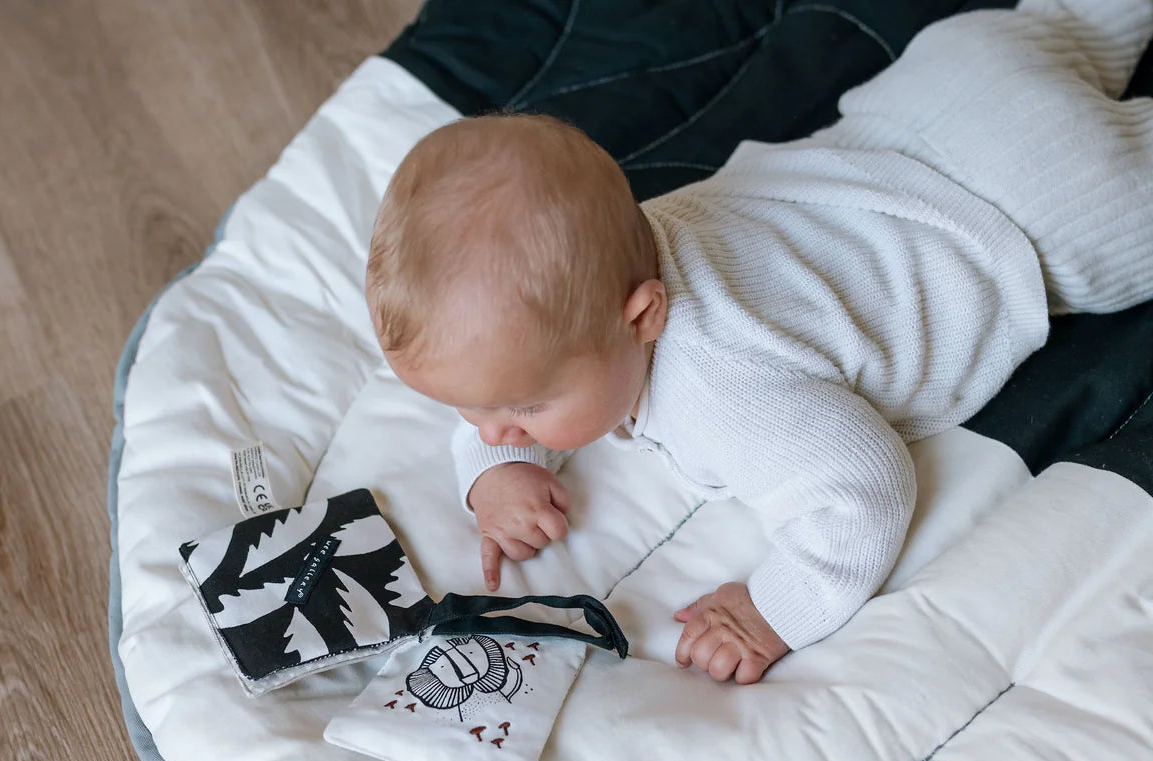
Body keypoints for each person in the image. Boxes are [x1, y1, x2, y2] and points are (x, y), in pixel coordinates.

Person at [366, 0, 1153, 683]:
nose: (490, 427)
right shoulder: (620, 246)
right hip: (948, 88)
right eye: (477, 410)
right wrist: (503, 462)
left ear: (644, 317)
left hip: (1042, 207)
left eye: (524, 411)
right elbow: (521, 358)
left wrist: (773, 611)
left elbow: (864, 491)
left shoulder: (722, 389)